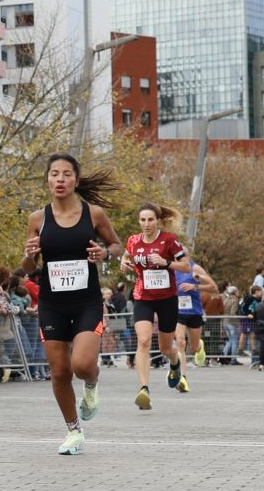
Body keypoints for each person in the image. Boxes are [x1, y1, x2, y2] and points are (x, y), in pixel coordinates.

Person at [21, 154, 120, 456]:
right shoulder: (38, 219)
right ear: (48, 180)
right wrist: (28, 254)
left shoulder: (94, 214)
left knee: (82, 365)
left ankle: (91, 386)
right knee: (60, 371)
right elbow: (27, 267)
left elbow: (117, 245)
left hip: (86, 302)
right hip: (52, 303)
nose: (60, 179)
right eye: (54, 174)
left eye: (66, 174)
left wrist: (105, 253)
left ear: (76, 179)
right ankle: (74, 430)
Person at [121, 204, 192, 408]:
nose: (146, 224)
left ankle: (175, 362)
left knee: (164, 347)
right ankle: (144, 390)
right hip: (143, 296)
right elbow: (127, 256)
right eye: (142, 220)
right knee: (143, 341)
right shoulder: (134, 240)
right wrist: (123, 262)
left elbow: (186, 266)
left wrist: (166, 262)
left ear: (157, 221)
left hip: (167, 298)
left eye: (150, 220)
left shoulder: (168, 240)